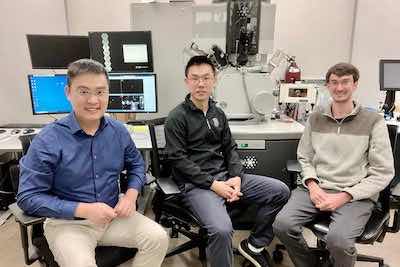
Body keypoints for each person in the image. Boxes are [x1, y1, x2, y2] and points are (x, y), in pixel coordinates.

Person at [17, 59, 168, 267]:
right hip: (68, 225)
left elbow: (136, 165)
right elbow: (27, 197)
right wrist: (83, 210)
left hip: (112, 216)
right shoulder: (48, 139)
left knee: (158, 238)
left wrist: (131, 195)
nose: (93, 100)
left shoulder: (118, 131)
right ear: (68, 92)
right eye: (84, 91)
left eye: (100, 92)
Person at [164, 55, 290, 267]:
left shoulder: (218, 113)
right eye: (195, 78)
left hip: (225, 177)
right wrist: (215, 185)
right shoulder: (176, 118)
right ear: (187, 81)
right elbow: (179, 160)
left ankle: (255, 244)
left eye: (206, 78)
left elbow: (230, 148)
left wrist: (236, 177)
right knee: (222, 230)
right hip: (197, 185)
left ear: (215, 80)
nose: (201, 83)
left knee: (280, 191)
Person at [273, 62, 394, 267]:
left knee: (338, 241)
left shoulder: (373, 121)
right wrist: (312, 185)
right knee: (282, 225)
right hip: (316, 188)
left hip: (354, 194)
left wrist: (345, 195)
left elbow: (383, 172)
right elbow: (305, 157)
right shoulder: (315, 118)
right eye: (334, 82)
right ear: (327, 86)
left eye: (345, 82)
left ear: (355, 84)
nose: (339, 88)